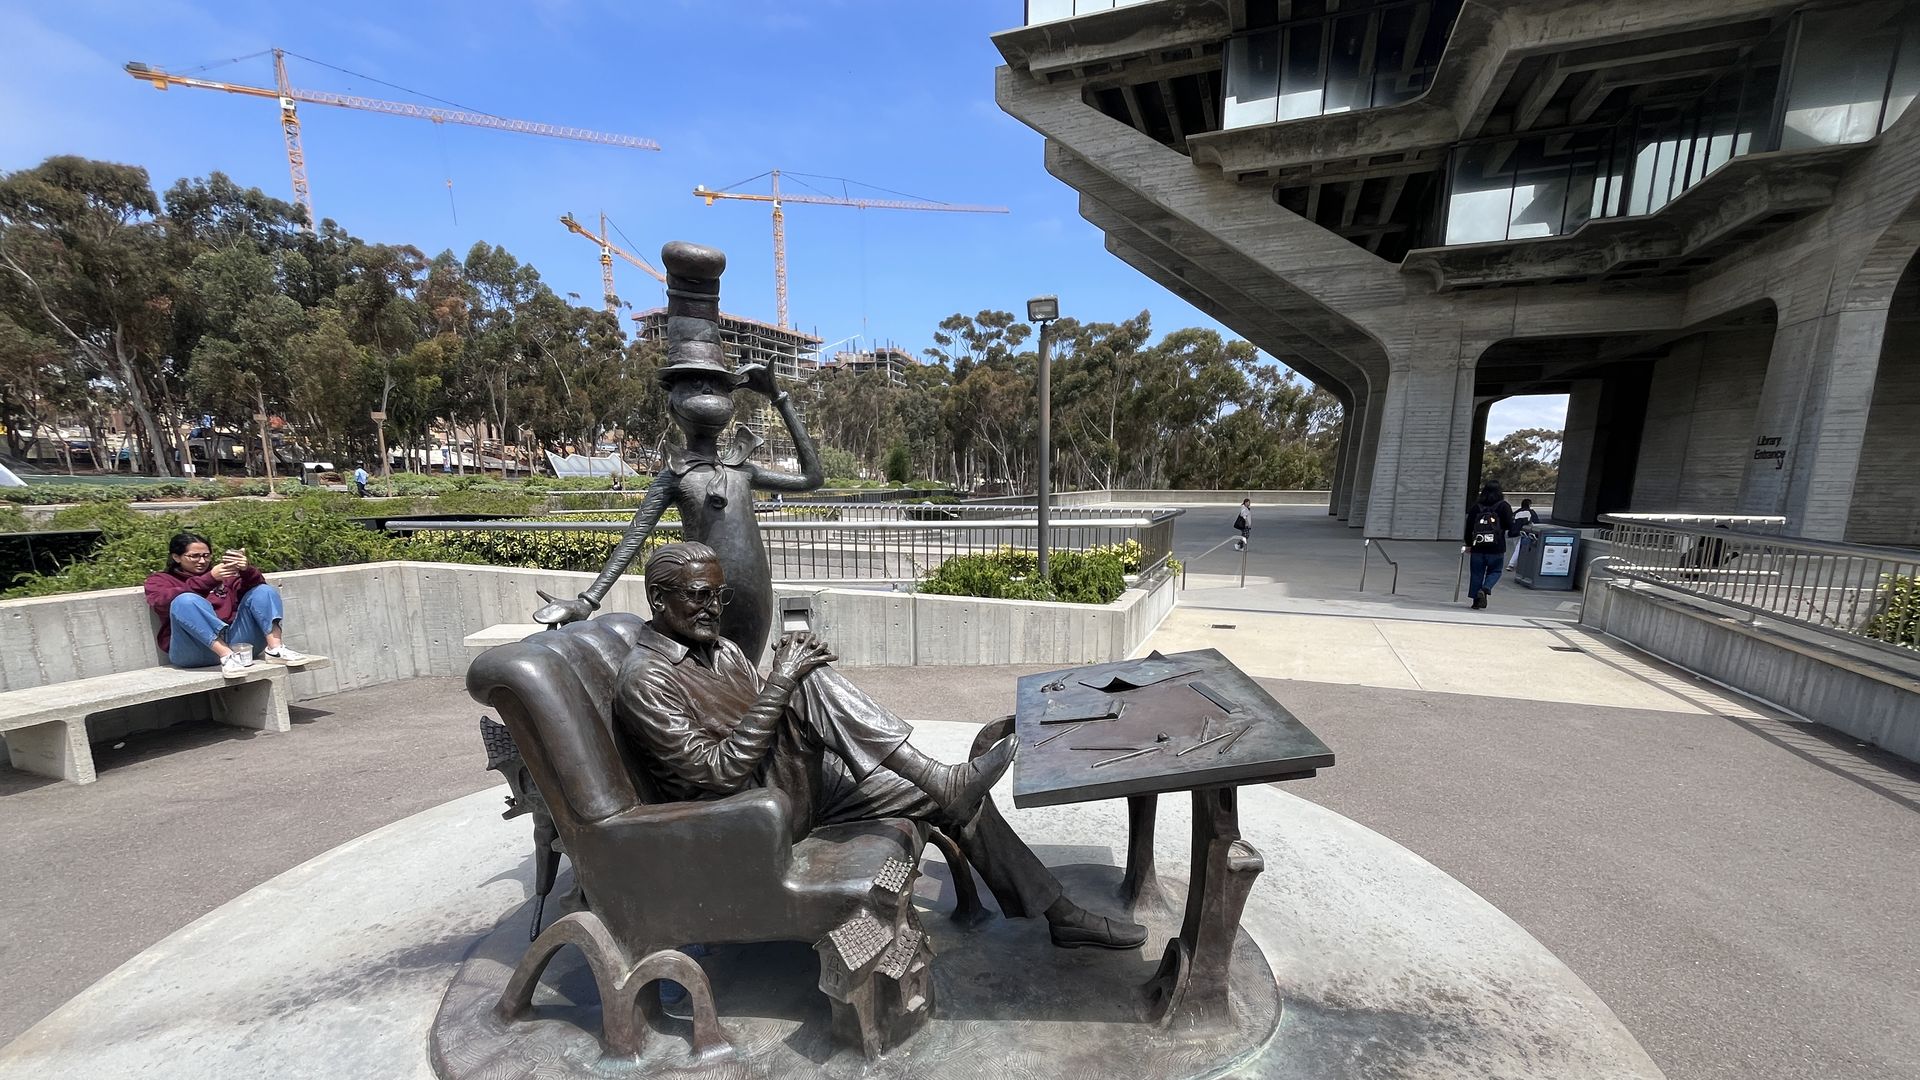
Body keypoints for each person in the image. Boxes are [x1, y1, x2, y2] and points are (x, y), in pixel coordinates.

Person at [615, 541, 1147, 951]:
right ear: (658, 600)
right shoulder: (646, 680)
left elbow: (768, 724)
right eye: (698, 596)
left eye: (720, 595)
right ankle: (941, 776)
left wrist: (784, 678)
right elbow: (717, 772)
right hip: (747, 818)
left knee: (953, 800)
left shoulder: (721, 649)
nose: (713, 608)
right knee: (805, 682)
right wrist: (783, 681)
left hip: (801, 788)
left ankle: (1062, 916)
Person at [533, 241, 826, 657]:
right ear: (672, 400)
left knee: (747, 677)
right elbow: (635, 537)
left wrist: (780, 398)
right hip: (699, 599)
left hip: (755, 595)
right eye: (692, 383)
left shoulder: (743, 470)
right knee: (709, 681)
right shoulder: (676, 475)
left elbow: (813, 478)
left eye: (718, 384)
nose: (706, 390)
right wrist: (587, 601)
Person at [144, 532, 308, 676]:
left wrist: (246, 569)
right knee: (185, 600)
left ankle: (275, 650)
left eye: (206, 556)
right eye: (194, 556)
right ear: (176, 557)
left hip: (238, 644)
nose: (202, 561)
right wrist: (208, 581)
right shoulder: (160, 580)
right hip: (193, 651)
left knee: (263, 591)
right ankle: (226, 656)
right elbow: (161, 603)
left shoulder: (223, 575)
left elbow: (255, 593)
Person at [1463, 482, 1515, 610]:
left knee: (1476, 574)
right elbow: (1509, 525)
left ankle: (1476, 601)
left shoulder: (1476, 507)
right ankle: (1486, 588)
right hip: (1496, 547)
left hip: (1478, 546)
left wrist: (1469, 544)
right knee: (1495, 571)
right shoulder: (1504, 506)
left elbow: (1469, 527)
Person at [1505, 498, 1538, 572]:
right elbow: (1536, 523)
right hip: (1524, 533)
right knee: (1520, 549)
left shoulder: (1516, 512)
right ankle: (1512, 564)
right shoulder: (1530, 512)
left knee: (1517, 549)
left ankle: (1514, 564)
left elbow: (1511, 522)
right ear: (1529, 505)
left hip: (1514, 533)